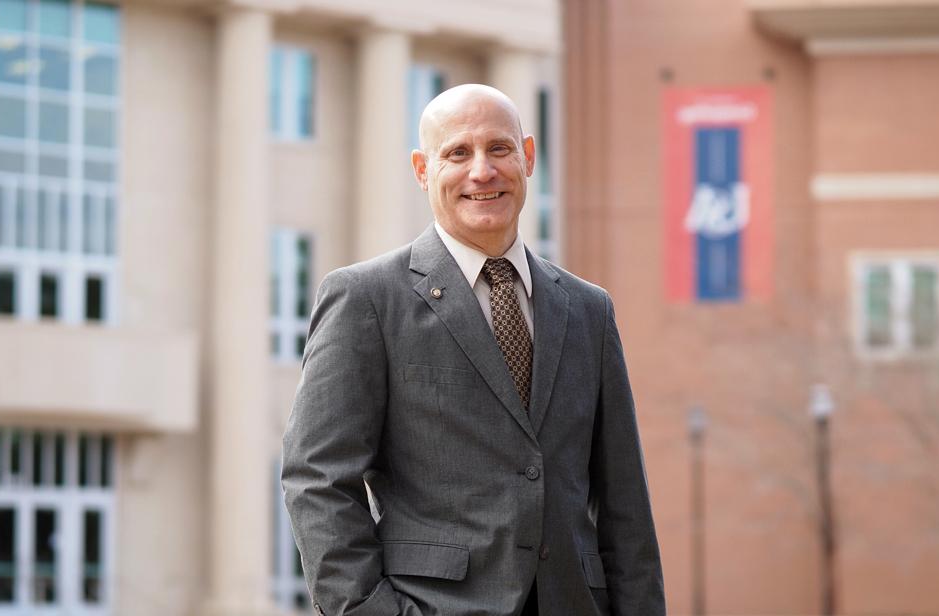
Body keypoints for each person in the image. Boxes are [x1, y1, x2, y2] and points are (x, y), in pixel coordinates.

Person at [281, 84, 664, 616]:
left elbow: (625, 504)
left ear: (528, 157)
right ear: (422, 169)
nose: (482, 171)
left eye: (499, 149)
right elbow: (318, 479)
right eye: (457, 153)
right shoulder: (366, 299)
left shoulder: (588, 310)